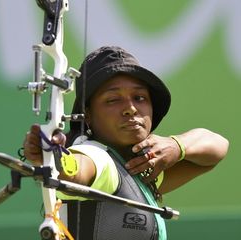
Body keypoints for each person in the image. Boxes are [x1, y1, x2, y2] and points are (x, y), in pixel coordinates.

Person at [23, 46, 229, 240]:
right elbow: (76, 169)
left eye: (139, 97)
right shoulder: (100, 159)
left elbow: (216, 148)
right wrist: (53, 156)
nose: (130, 108)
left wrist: (177, 146)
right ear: (87, 114)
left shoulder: (139, 169)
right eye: (113, 100)